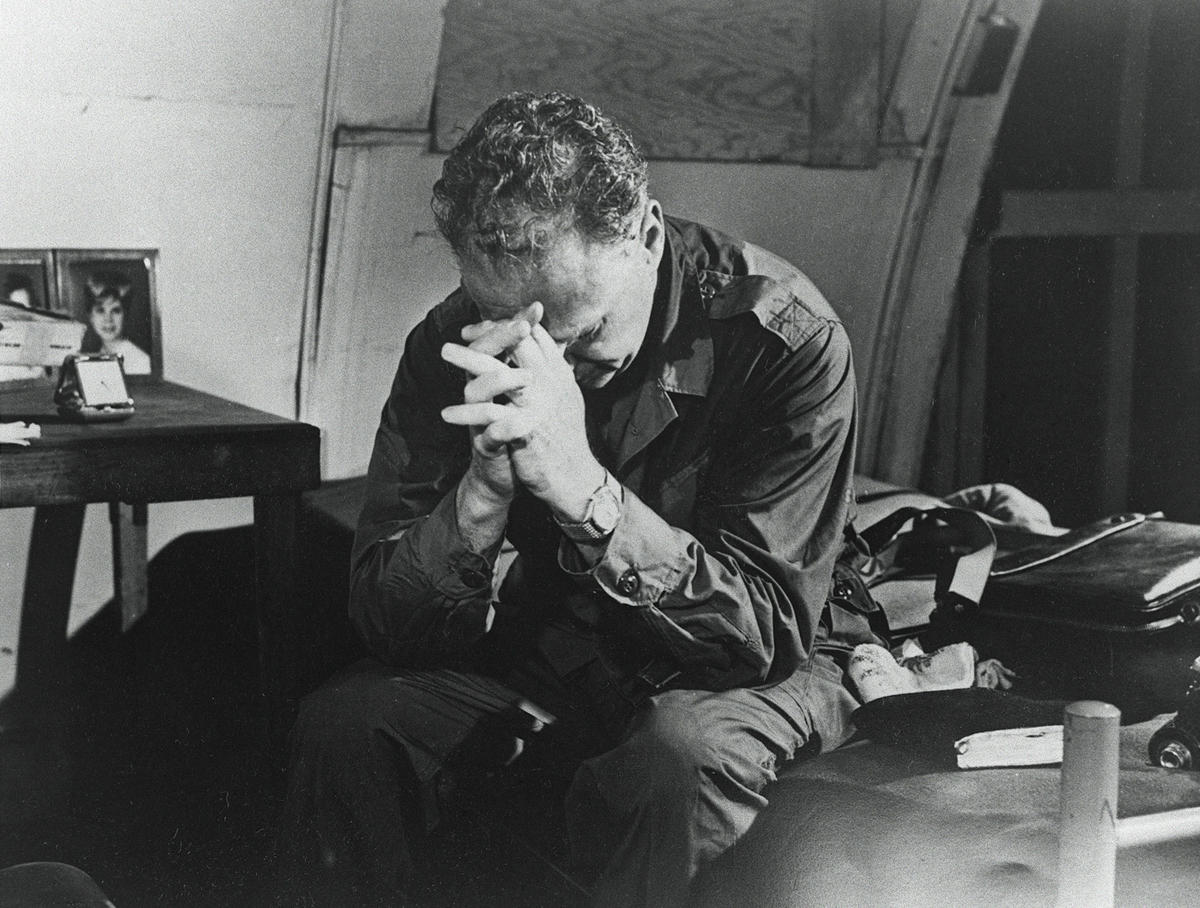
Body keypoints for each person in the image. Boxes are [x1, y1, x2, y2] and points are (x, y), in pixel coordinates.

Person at [274, 91, 873, 907]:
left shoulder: (785, 344)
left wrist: (583, 490)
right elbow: (387, 622)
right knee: (348, 723)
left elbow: (764, 633)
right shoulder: (450, 341)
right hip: (566, 639)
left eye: (583, 334)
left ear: (646, 238)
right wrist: (481, 494)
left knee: (675, 758)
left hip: (756, 664)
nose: (548, 364)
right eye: (514, 327)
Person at [80, 270, 151, 375]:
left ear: (125, 314)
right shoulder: (97, 355)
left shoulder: (140, 361)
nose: (108, 319)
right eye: (100, 310)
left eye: (116, 311)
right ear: (90, 316)